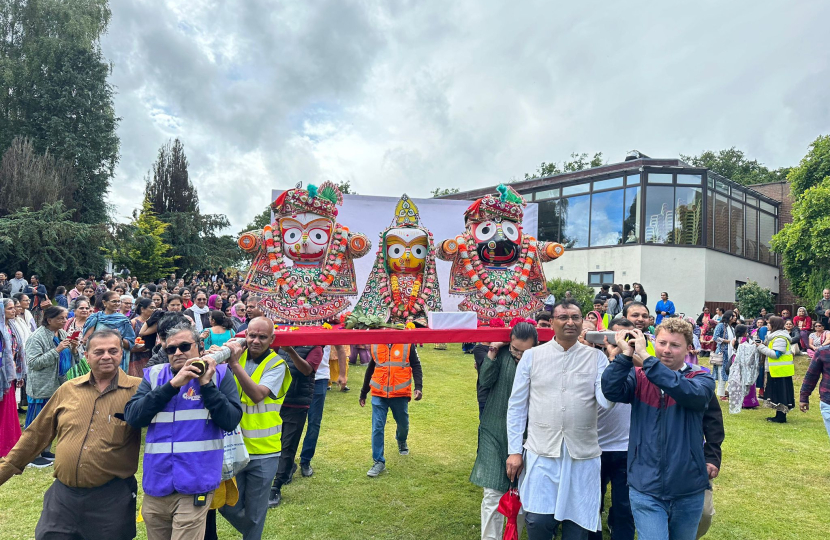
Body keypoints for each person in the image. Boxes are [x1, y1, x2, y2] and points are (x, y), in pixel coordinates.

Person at [0, 329, 142, 540]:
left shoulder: (138, 391)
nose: (106, 356)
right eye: (99, 351)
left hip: (112, 499)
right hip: (63, 498)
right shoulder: (69, 389)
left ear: (121, 353)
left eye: (113, 351)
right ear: (86, 355)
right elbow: (36, 435)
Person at [124, 324, 242, 540]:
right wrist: (172, 385)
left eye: (185, 346)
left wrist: (206, 386)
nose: (178, 353)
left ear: (199, 347)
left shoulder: (220, 374)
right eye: (171, 349)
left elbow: (231, 420)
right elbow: (133, 417)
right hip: (157, 484)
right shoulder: (154, 375)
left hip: (195, 483)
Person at [505, 300, 611, 539]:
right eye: (563, 317)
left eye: (575, 317)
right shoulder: (532, 357)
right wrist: (514, 451)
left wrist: (617, 364)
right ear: (551, 323)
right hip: (542, 452)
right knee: (538, 522)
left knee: (578, 528)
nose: (570, 322)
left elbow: (606, 402)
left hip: (582, 457)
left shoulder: (597, 359)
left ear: (583, 322)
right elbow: (517, 407)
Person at [602, 319, 715, 540]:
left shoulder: (701, 378)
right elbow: (611, 390)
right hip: (645, 485)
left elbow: (686, 393)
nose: (666, 350)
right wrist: (624, 357)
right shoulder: (640, 377)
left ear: (688, 348)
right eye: (662, 343)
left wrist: (646, 358)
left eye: (675, 345)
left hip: (688, 487)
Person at [219, 318, 292, 540]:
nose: (255, 341)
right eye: (251, 335)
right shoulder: (235, 356)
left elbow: (257, 394)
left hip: (264, 451)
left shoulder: (277, 364)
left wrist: (234, 364)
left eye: (262, 337)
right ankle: (252, 531)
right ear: (245, 335)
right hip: (234, 446)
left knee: (256, 512)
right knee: (225, 503)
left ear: (272, 339)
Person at [470, 322, 537, 540]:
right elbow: (485, 381)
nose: (519, 355)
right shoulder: (502, 355)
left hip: (527, 434)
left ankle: (512, 535)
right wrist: (493, 351)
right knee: (492, 492)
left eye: (524, 351)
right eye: (515, 349)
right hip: (494, 429)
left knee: (519, 492)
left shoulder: (540, 361)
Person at [588, 318, 636, 540]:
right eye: (614, 336)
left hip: (625, 446)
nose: (619, 342)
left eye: (624, 338)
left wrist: (624, 356)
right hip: (593, 446)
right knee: (591, 501)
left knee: (624, 504)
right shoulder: (591, 361)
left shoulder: (638, 363)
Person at [268, 344, 323, 507]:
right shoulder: (282, 343)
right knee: (276, 442)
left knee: (288, 445)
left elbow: (306, 370)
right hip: (278, 400)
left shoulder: (316, 347)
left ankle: (275, 487)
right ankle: (289, 467)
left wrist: (291, 351)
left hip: (297, 403)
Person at [359, 341, 424, 478]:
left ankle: (401, 439)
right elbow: (371, 368)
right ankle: (378, 461)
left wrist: (418, 387)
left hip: (399, 394)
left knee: (403, 424)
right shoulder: (376, 344)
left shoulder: (407, 344)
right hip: (379, 393)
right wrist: (364, 392)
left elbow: (416, 365)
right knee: (377, 427)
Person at [24, 306, 81, 445]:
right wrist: (57, 350)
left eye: (65, 317)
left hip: (58, 385)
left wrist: (73, 348)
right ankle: (32, 455)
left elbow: (74, 359)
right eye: (60, 318)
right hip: (42, 387)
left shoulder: (61, 333)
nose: (64, 320)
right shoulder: (36, 337)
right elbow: (33, 363)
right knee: (37, 423)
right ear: (49, 320)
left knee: (51, 422)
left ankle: (45, 450)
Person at [299, 345, 348, 478]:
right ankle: (287, 461)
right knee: (293, 421)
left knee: (314, 422)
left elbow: (340, 348)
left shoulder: (327, 325)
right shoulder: (296, 324)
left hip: (319, 378)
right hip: (298, 374)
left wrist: (342, 374)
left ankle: (305, 460)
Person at [82, 291, 135, 372]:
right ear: (104, 303)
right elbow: (86, 341)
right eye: (114, 301)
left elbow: (130, 344)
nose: (117, 304)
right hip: (98, 357)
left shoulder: (124, 321)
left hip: (116, 360)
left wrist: (119, 337)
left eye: (118, 301)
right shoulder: (95, 318)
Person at [756, 316, 795, 423]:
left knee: (781, 394)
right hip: (777, 370)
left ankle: (781, 416)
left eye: (769, 323)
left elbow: (776, 354)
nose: (767, 325)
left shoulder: (780, 338)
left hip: (781, 371)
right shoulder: (775, 337)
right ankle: (779, 415)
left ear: (774, 325)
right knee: (778, 394)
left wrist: (761, 347)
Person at [0, 299, 23, 458]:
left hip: (11, 373)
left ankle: (11, 442)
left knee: (9, 409)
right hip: (3, 375)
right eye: (10, 308)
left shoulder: (12, 326)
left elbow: (19, 350)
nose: (13, 311)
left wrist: (19, 372)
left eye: (14, 308)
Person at [799, 348, 830, 442]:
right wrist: (804, 397)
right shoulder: (823, 352)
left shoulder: (823, 351)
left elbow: (811, 375)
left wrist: (804, 397)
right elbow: (811, 375)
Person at [727, 325, 759, 414]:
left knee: (739, 380)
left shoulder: (734, 340)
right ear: (744, 332)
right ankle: (748, 401)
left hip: (736, 360)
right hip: (744, 361)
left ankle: (741, 400)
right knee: (747, 379)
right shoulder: (747, 340)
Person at [712, 310, 736, 400]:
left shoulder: (732, 328)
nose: (735, 318)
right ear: (729, 317)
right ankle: (721, 394)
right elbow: (715, 338)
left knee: (730, 372)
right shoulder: (721, 326)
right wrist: (728, 341)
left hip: (731, 352)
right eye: (733, 316)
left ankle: (727, 391)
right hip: (722, 352)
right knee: (721, 373)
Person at [129, 298, 156, 377]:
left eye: (155, 308)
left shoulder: (154, 323)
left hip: (151, 356)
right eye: (151, 307)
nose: (154, 310)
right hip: (136, 357)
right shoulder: (133, 322)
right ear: (142, 309)